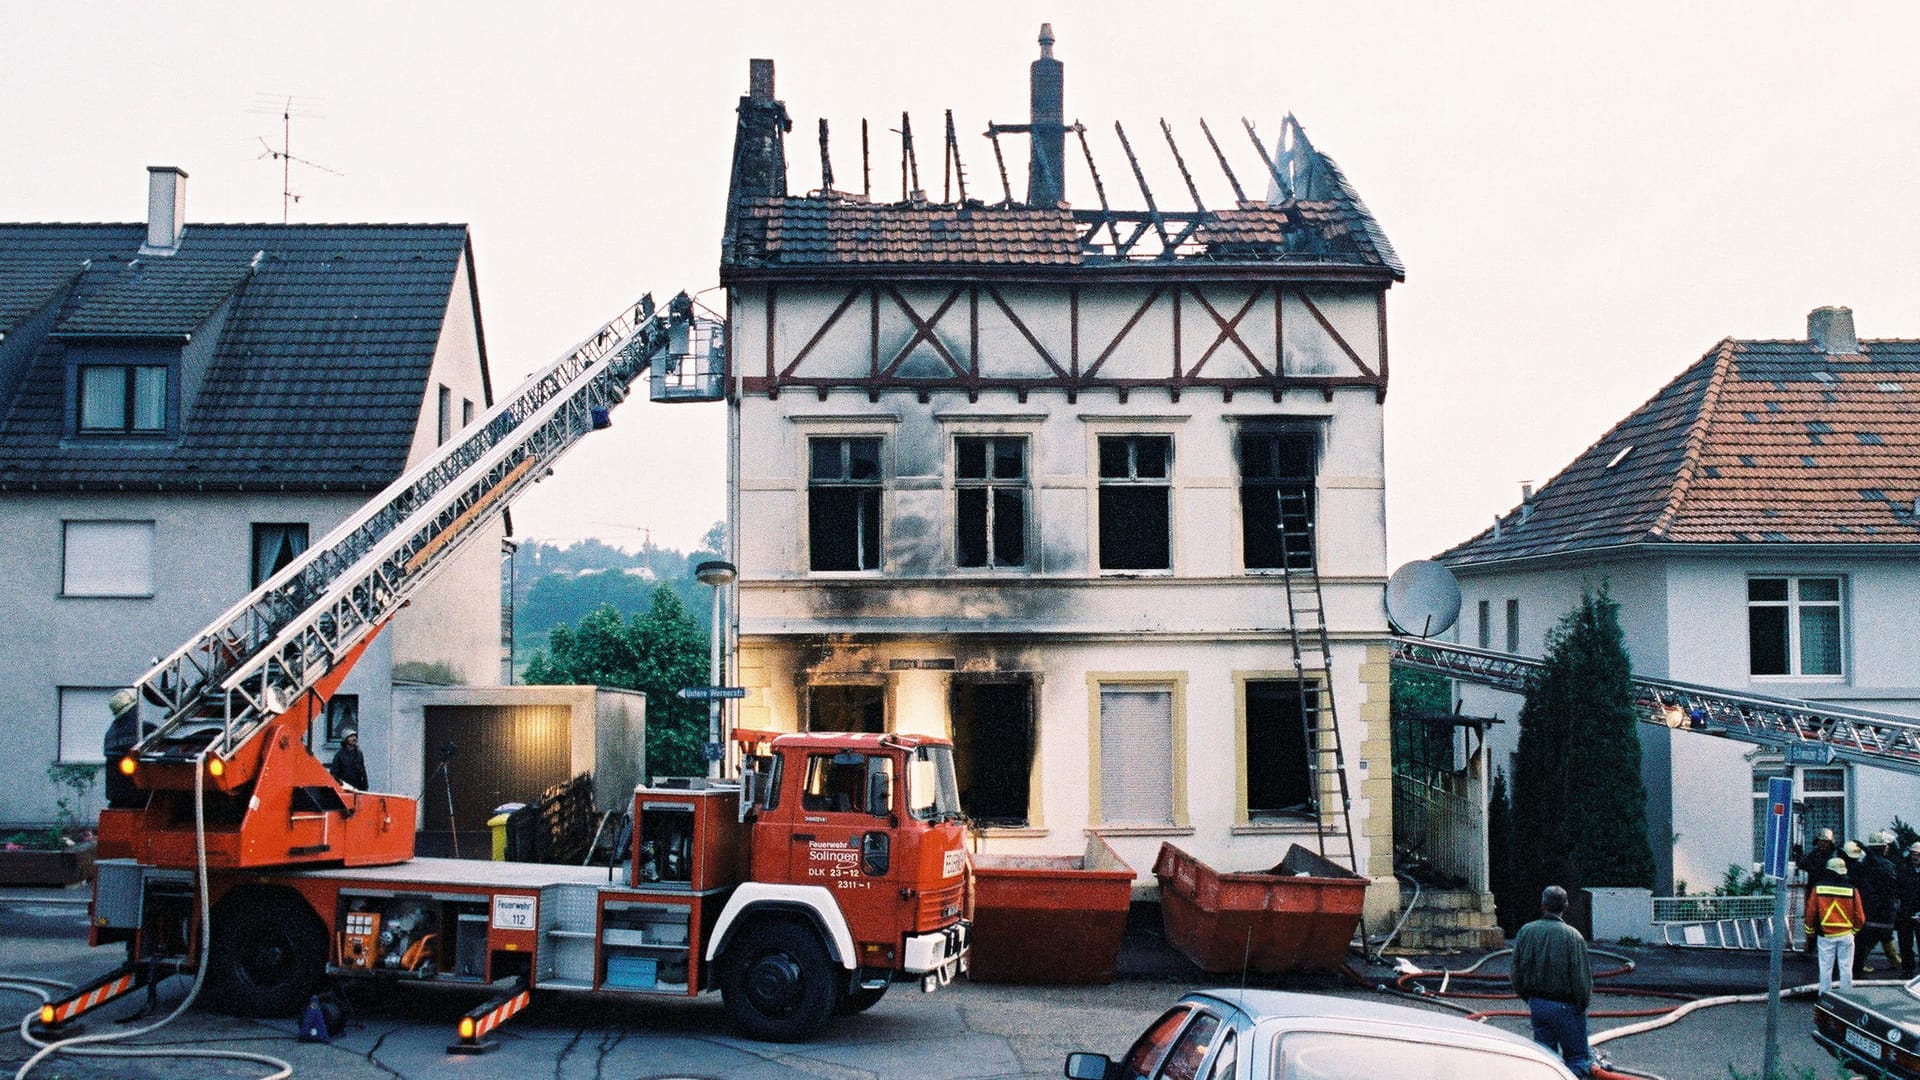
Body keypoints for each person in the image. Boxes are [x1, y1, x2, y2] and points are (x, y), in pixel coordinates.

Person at [1512, 885, 1593, 1077]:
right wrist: (1582, 1004)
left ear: (1543, 905)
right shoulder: (1573, 937)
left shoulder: (1526, 932)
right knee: (1577, 1059)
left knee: (1545, 1059)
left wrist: (1529, 998)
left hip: (1537, 1003)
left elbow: (1516, 973)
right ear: (1565, 906)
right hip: (1566, 1005)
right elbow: (1581, 979)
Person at [1807, 856, 1865, 995]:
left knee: (1825, 968)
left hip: (1826, 935)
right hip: (1846, 934)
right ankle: (1846, 998)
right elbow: (1860, 916)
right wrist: (1854, 930)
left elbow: (1811, 912)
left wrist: (1810, 931)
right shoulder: (1852, 889)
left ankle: (1824, 996)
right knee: (1846, 968)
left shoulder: (1819, 888)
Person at [1859, 831, 1904, 975]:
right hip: (1884, 907)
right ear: (1881, 847)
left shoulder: (1865, 862)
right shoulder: (1887, 865)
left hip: (1869, 906)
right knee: (1879, 935)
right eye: (1886, 846)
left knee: (1878, 935)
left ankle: (1895, 961)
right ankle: (1860, 963)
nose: (1888, 848)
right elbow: (1894, 886)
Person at [1797, 828, 1839, 955]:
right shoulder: (1816, 853)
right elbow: (1803, 864)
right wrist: (1799, 854)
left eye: (1825, 842)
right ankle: (1810, 948)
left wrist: (1810, 867)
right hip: (1815, 891)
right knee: (1812, 920)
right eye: (1820, 842)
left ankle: (1827, 948)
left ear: (1830, 843)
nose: (1822, 844)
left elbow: (1819, 870)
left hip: (1829, 893)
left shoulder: (1834, 855)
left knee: (1827, 920)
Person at [1896, 842, 1920, 978]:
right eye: (1913, 854)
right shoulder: (1903, 869)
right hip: (1905, 911)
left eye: (1918, 854)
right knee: (1905, 943)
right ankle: (1908, 970)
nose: (1915, 857)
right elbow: (1897, 889)